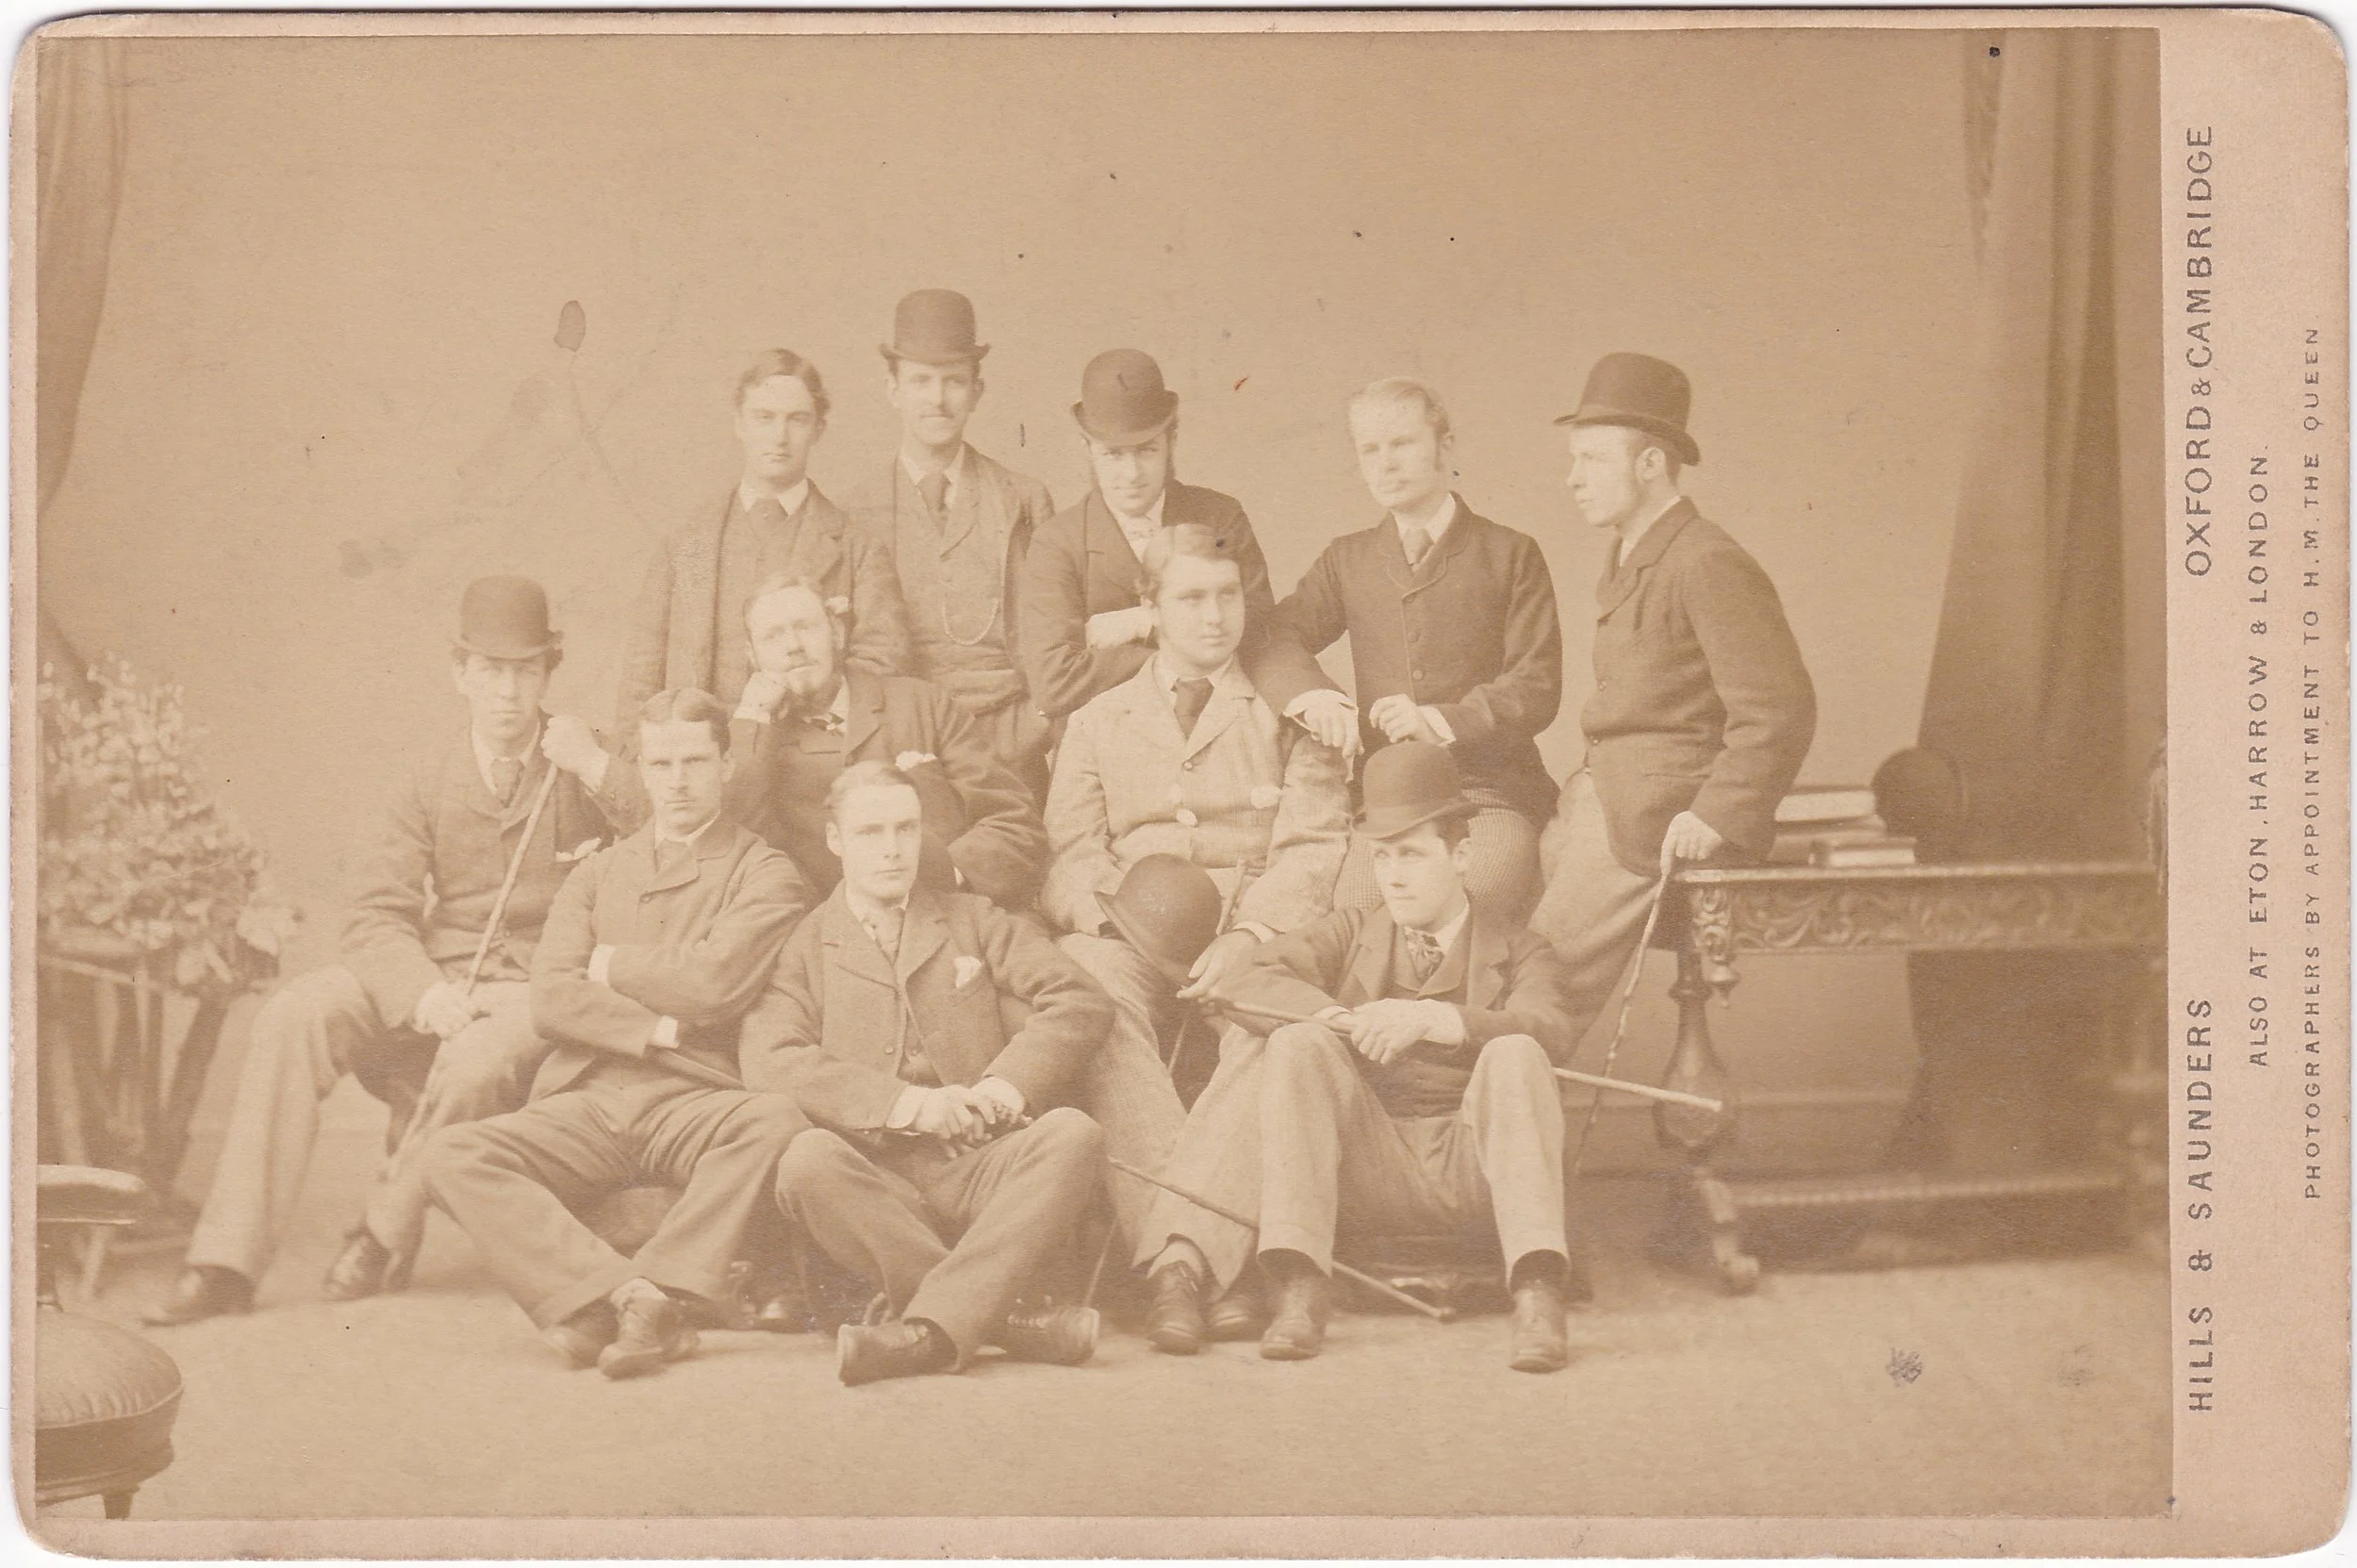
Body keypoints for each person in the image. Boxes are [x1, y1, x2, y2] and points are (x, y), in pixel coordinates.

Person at [145, 578, 632, 1325]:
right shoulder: (422, 776)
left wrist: (597, 767)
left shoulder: (583, 760)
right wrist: (421, 994)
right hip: (436, 972)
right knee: (295, 1012)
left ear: (548, 674)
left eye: (527, 671)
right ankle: (226, 1260)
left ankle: (381, 1230)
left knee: (477, 1058)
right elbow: (376, 913)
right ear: (460, 673)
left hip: (539, 989)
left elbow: (667, 848)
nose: (508, 693)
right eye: (492, 671)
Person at [1137, 742, 1578, 1372]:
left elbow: (1553, 1028)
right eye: (1384, 857)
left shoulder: (1523, 947)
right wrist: (1341, 1020)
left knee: (1516, 1050)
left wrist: (1440, 1018)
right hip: (1369, 1169)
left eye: (1414, 855)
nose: (1394, 876)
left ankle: (1538, 1293)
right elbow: (1247, 980)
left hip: (1477, 1165)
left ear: (1461, 855)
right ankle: (1299, 1284)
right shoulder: (1350, 930)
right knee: (1297, 1039)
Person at [421, 688, 814, 1378]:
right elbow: (551, 998)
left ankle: (639, 1296)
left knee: (777, 1119)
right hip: (592, 1096)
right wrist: (662, 1025)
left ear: (726, 765)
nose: (678, 781)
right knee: (452, 1153)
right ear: (643, 768)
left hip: (695, 1098)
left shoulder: (766, 871)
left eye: (695, 760)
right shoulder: (599, 871)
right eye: (660, 764)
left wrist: (607, 965)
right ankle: (635, 1296)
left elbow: (716, 984)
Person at [739, 762, 1113, 1386]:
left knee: (1074, 1133)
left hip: (977, 1164)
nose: (892, 849)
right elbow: (772, 1057)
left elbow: (1079, 1000)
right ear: (835, 839)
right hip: (876, 1179)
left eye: (906, 829)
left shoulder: (972, 917)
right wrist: (908, 1105)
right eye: (871, 832)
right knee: (806, 1160)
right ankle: (996, 1318)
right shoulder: (804, 944)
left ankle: (926, 1329)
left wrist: (999, 1088)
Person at [1043, 523, 1349, 1260]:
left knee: (1268, 1025)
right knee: (1090, 991)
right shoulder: (1097, 719)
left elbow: (1315, 846)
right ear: (1151, 606)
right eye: (1190, 599)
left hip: (1249, 928)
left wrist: (1250, 934)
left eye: (1227, 597)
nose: (1214, 618)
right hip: (1133, 927)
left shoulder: (1290, 712)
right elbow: (1068, 853)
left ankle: (1178, 1258)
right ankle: (1193, 1251)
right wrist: (1117, 920)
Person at [1530, 353, 1816, 1045]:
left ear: (1651, 463)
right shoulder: (1635, 555)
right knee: (1508, 961)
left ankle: (1491, 1143)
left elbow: (1780, 709)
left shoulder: (1705, 560)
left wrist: (1715, 813)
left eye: (1592, 459)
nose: (1572, 478)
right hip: (1598, 799)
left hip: (1651, 820)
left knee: (1536, 994)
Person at [1268, 377, 1562, 926]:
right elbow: (1274, 638)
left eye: (1401, 443)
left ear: (1444, 446)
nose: (1386, 463)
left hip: (1487, 796)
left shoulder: (1510, 554)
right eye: (1370, 450)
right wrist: (1316, 698)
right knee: (1358, 918)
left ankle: (1446, 1017)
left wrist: (1442, 721)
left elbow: (1537, 683)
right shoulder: (1348, 560)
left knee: (1466, 906)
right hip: (1386, 805)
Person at [1015, 348, 1347, 747]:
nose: (1131, 473)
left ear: (1171, 440)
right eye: (1112, 454)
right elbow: (1054, 684)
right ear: (1087, 449)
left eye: (1147, 450)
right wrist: (1197, 651)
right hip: (1111, 748)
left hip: (1223, 737)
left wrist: (1146, 622)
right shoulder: (1058, 542)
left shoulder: (1219, 517)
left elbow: (1257, 636)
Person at [615, 350, 913, 730]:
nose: (779, 437)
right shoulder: (687, 544)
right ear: (739, 423)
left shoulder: (859, 549)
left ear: (819, 429)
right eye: (764, 418)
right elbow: (641, 680)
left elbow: (882, 666)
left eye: (797, 420)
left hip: (812, 760)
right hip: (698, 760)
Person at [711, 572, 1043, 908]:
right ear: (752, 657)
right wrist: (753, 717)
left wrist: (944, 879)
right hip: (834, 937)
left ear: (837, 633)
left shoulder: (922, 704)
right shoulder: (751, 743)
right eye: (773, 636)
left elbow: (1012, 822)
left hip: (958, 912)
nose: (794, 646)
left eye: (806, 627)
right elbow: (734, 844)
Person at [850, 289, 1060, 801]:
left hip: (1011, 748)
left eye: (953, 382)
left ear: (977, 391)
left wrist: (1037, 724)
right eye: (920, 381)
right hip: (903, 754)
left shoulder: (1023, 500)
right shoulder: (853, 514)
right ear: (892, 390)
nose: (937, 400)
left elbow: (1054, 639)